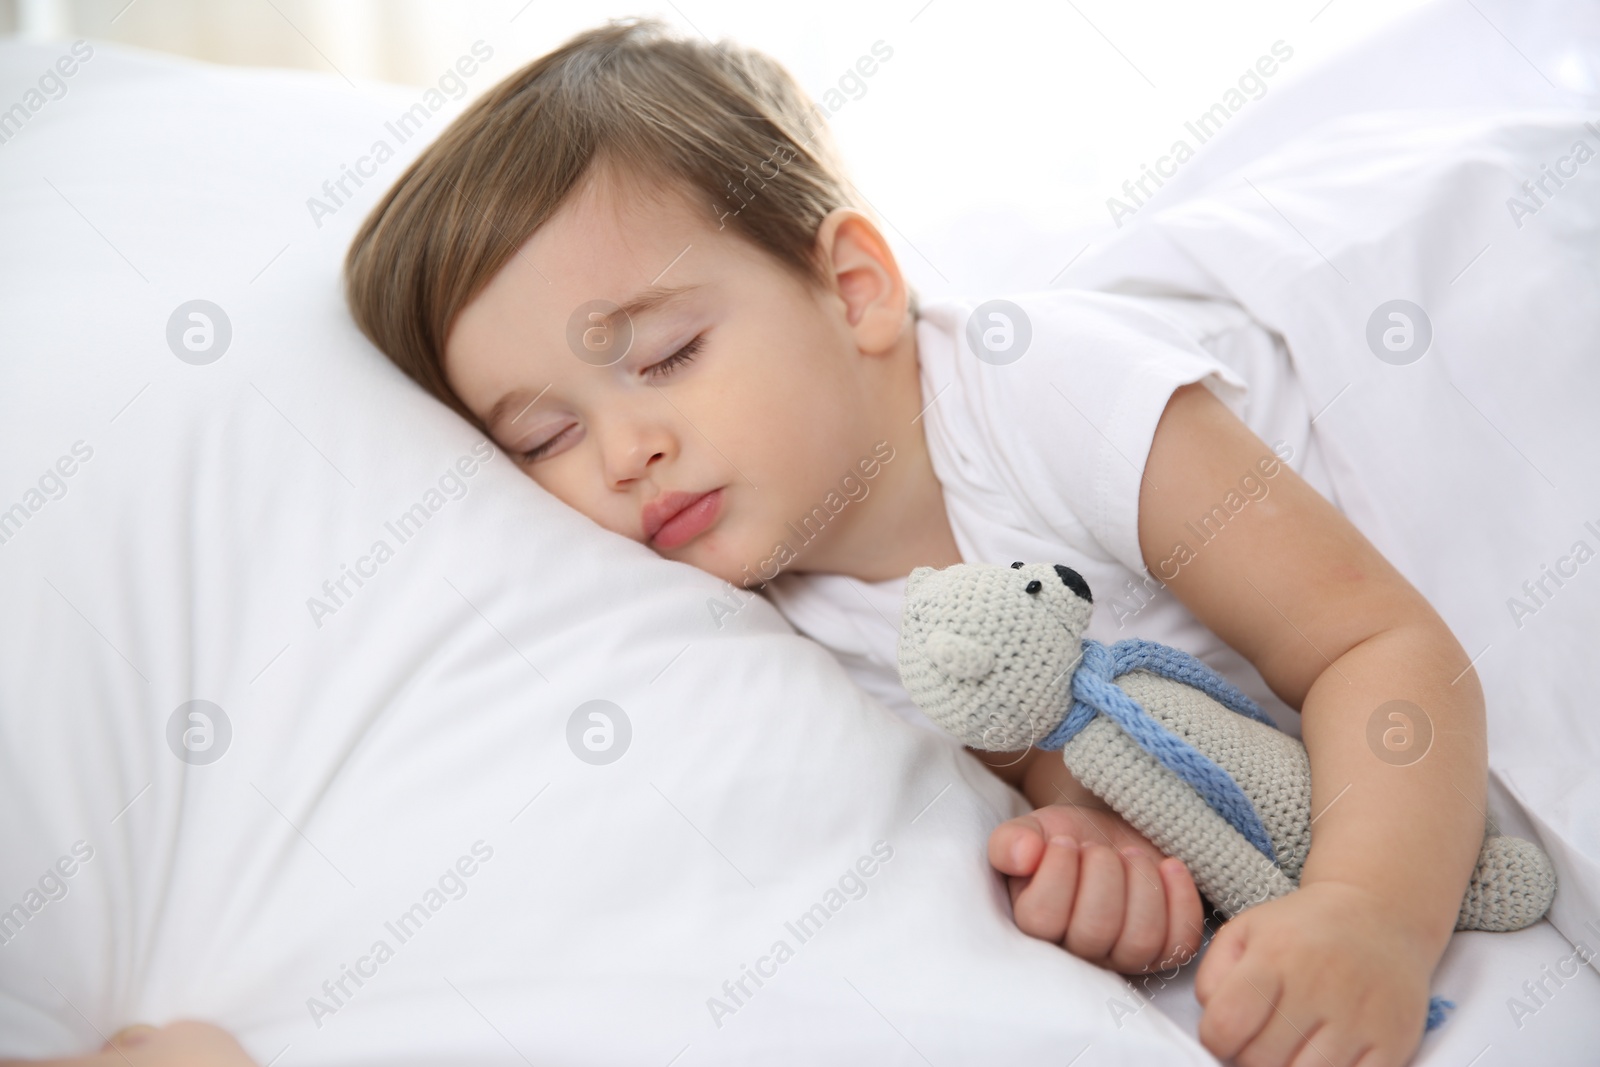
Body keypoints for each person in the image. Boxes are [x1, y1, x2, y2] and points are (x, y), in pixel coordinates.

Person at [342, 17, 1489, 1067]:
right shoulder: (775, 634)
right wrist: (1095, 847)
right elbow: (1050, 731)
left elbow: (1370, 643)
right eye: (545, 438)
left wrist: (1369, 916)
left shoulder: (1046, 393)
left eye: (666, 357)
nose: (623, 451)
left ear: (853, 290)